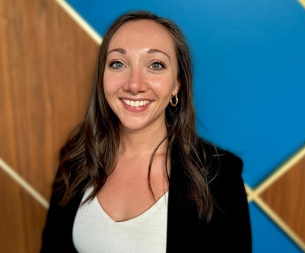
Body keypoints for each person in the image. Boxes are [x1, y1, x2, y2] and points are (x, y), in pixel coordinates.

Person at [40, 10, 252, 253]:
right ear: (103, 77)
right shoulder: (77, 158)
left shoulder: (219, 176)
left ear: (177, 84)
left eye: (156, 65)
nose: (134, 85)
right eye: (118, 63)